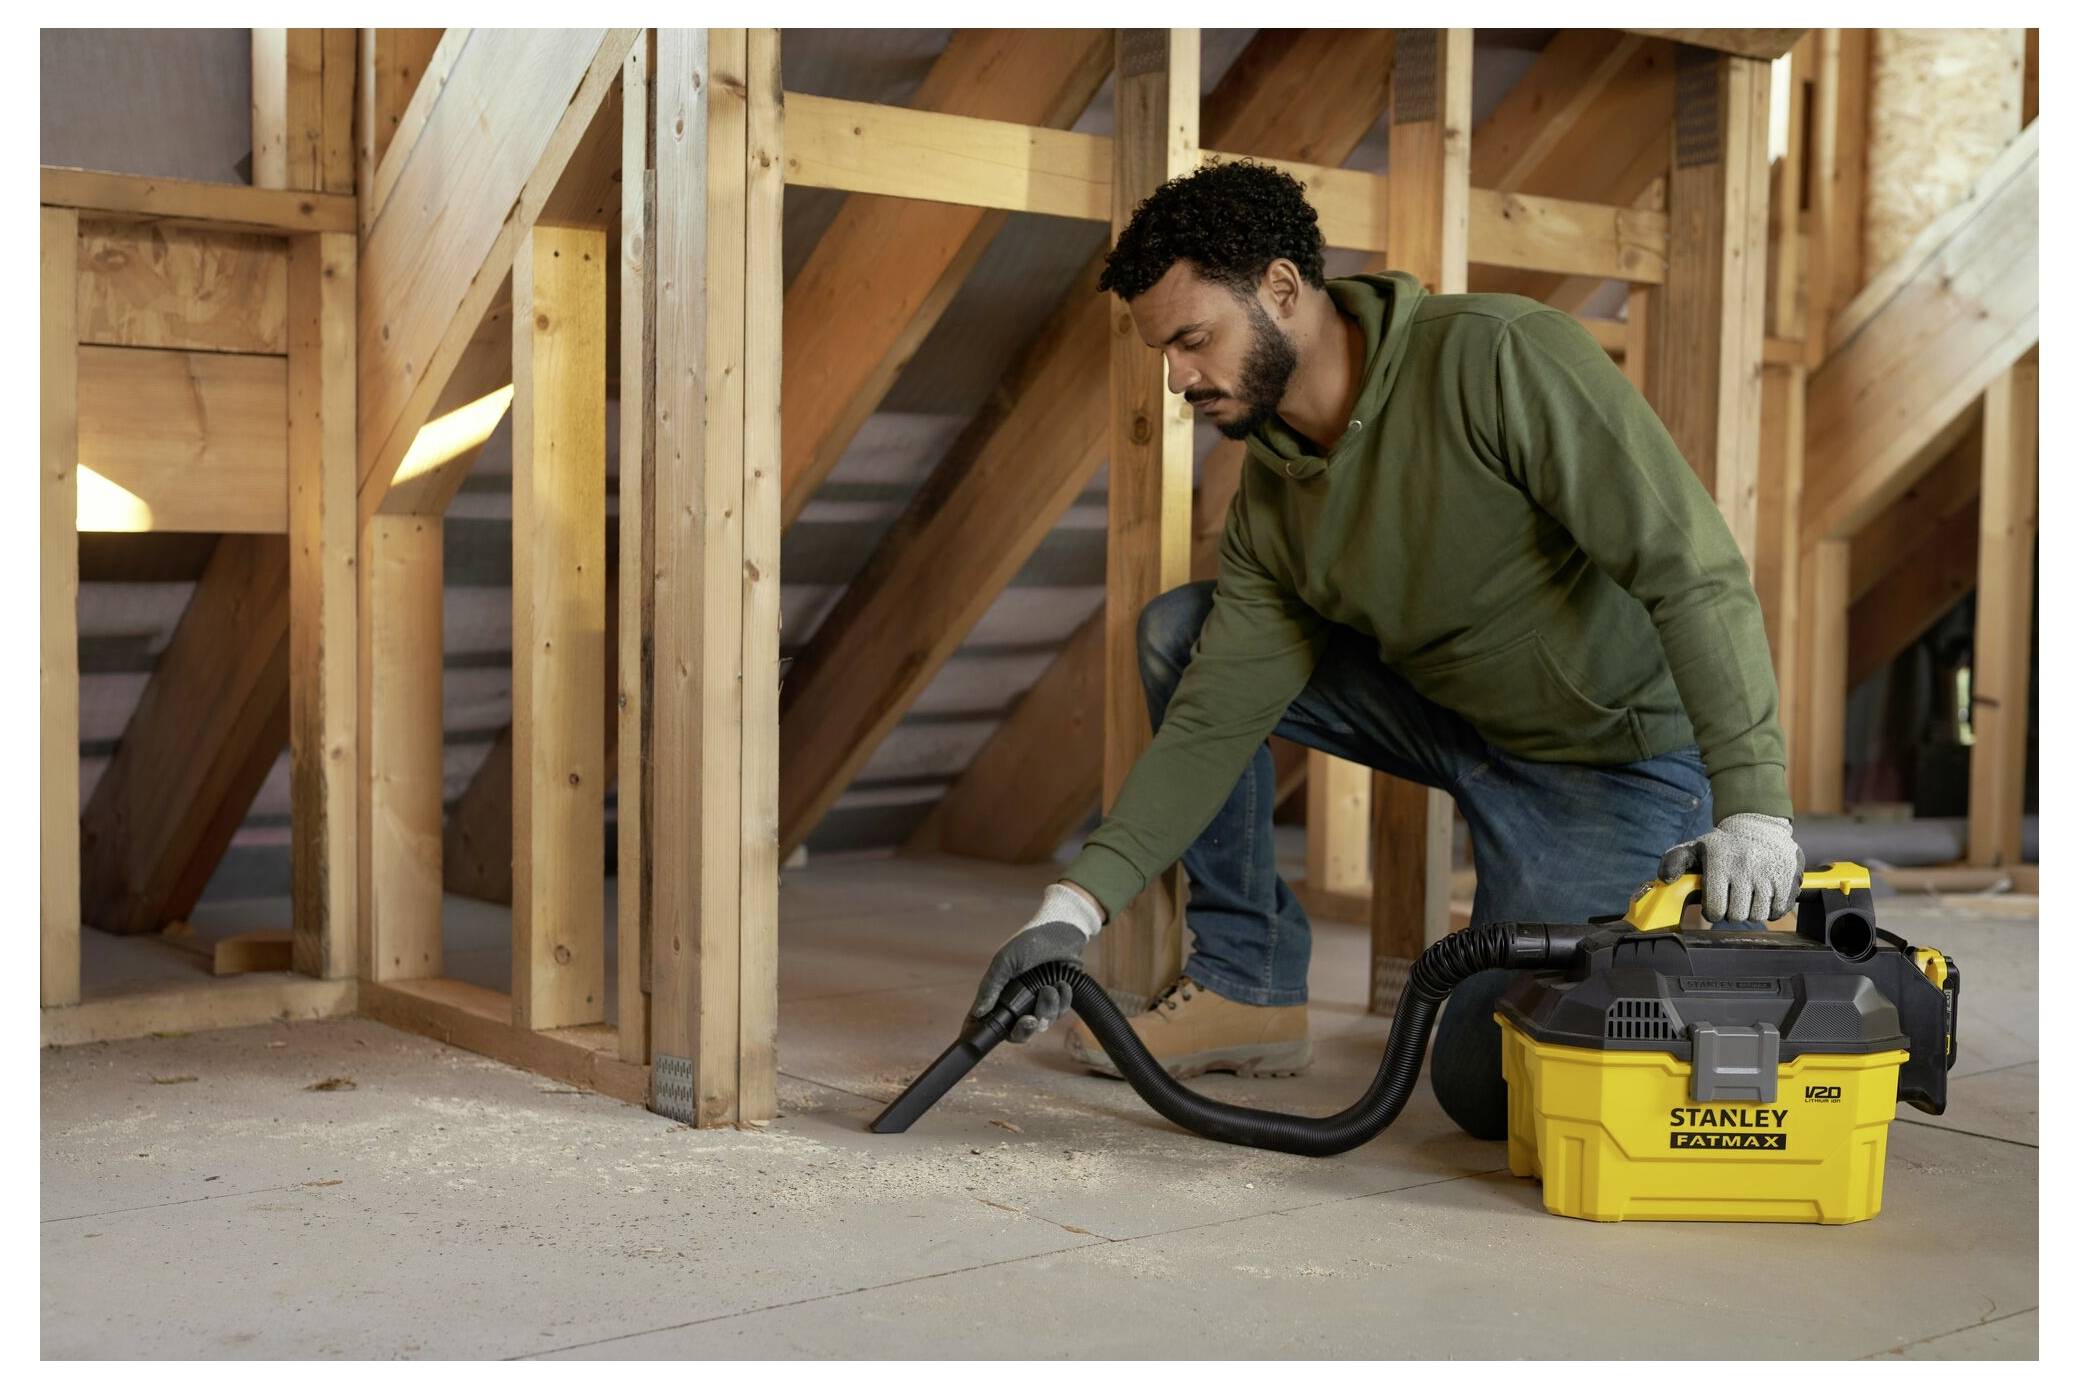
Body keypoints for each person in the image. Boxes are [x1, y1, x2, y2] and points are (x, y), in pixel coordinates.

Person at [966, 160, 1801, 1140]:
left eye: (1194, 340)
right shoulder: (1274, 494)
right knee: (1182, 637)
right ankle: (1250, 980)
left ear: (1282, 289)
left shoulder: (1503, 359)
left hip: (1611, 762)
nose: (1180, 376)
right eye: (1167, 353)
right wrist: (1068, 913)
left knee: (1489, 1093)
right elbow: (1214, 717)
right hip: (1451, 711)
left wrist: (1756, 806)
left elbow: (1690, 566)